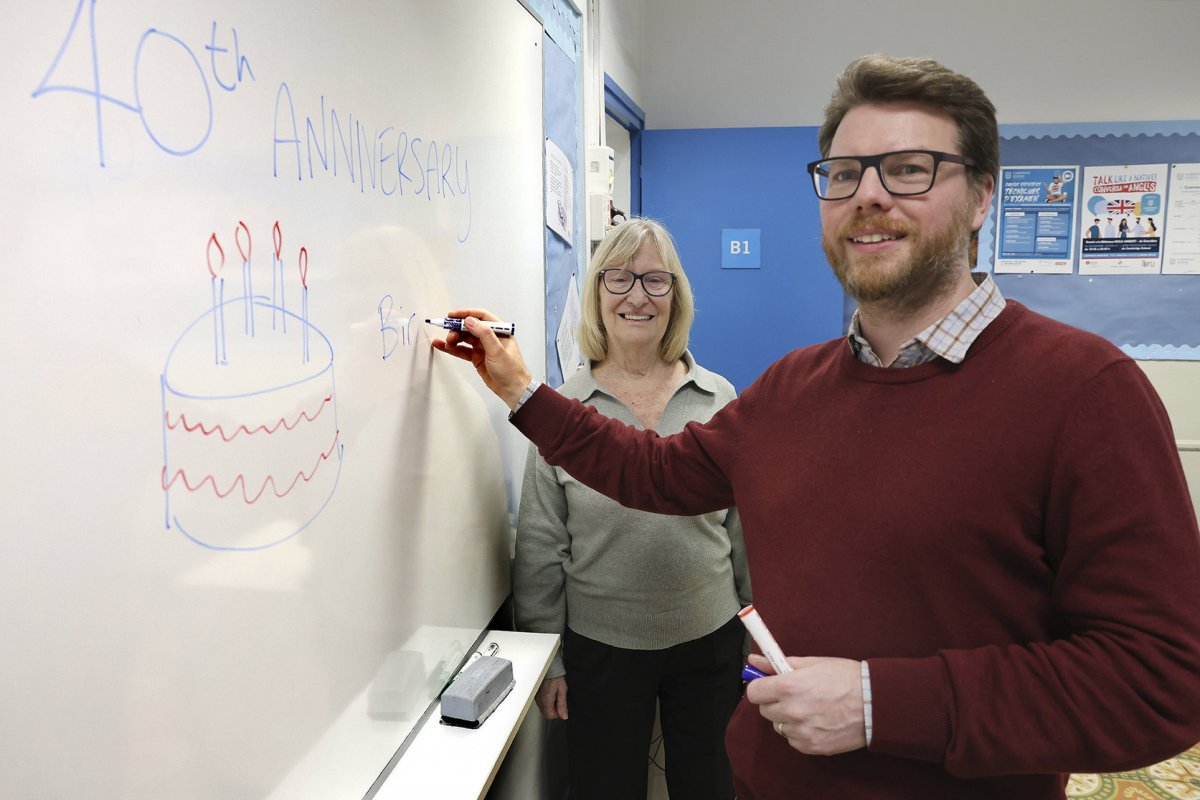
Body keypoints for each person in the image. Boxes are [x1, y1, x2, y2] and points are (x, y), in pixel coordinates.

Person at [433, 54, 1200, 799]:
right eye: (843, 174)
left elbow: (1159, 682)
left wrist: (878, 704)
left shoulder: (1084, 392)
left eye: (910, 169)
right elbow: (655, 474)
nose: (868, 195)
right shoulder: (792, 389)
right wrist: (520, 388)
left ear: (981, 198)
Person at [514, 217, 751, 799]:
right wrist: (551, 660)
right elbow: (541, 546)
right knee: (605, 787)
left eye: (654, 280)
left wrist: (755, 629)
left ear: (677, 296)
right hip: (602, 646)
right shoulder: (564, 411)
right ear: (597, 295)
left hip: (711, 636)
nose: (637, 296)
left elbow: (746, 527)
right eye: (618, 279)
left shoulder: (718, 397)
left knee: (712, 784)